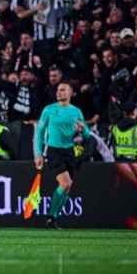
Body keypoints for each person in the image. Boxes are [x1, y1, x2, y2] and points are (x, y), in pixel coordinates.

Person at [34, 83, 89, 230]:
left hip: (69, 151)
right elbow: (40, 133)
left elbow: (87, 134)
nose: (58, 92)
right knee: (65, 183)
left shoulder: (76, 111)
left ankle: (53, 219)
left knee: (67, 187)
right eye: (58, 90)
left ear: (70, 93)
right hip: (54, 152)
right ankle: (50, 216)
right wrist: (38, 153)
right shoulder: (49, 109)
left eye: (62, 90)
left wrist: (82, 130)